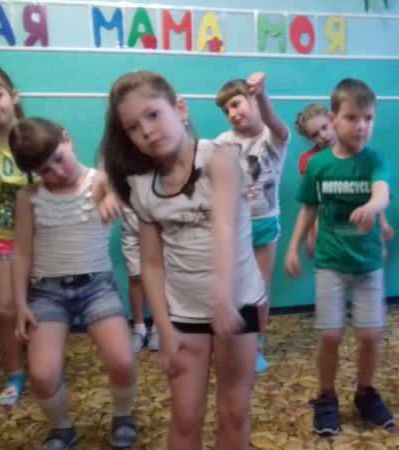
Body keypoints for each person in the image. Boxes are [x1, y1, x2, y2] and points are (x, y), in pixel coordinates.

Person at [101, 70, 265, 450]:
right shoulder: (143, 186)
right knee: (187, 414)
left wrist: (222, 297)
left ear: (180, 109)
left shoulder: (218, 158)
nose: (146, 130)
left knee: (233, 410)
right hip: (183, 311)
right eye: (133, 127)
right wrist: (164, 327)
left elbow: (224, 228)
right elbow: (151, 264)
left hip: (236, 301)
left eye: (153, 115)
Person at [9, 117, 137, 449]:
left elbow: (120, 187)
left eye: (58, 158)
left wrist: (113, 198)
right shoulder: (29, 196)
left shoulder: (100, 180)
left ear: (67, 139)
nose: (57, 172)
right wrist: (20, 304)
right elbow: (21, 252)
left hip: (96, 287)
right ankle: (62, 428)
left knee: (122, 360)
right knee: (42, 374)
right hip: (46, 292)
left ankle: (123, 415)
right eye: (44, 170)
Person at [284, 78, 394, 436]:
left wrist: (373, 207)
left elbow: (382, 192)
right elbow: (309, 208)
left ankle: (365, 392)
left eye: (368, 118)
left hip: (367, 265)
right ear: (333, 120)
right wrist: (293, 246)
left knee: (370, 335)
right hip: (330, 262)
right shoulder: (319, 165)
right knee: (330, 335)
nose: (361, 126)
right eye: (351, 118)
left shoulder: (375, 159)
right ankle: (327, 396)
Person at [215, 73, 290, 374]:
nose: (232, 114)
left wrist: (263, 94)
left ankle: (256, 343)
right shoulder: (224, 142)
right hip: (234, 225)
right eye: (226, 110)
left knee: (259, 286)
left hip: (265, 222)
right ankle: (235, 338)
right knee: (234, 283)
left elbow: (273, 122)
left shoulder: (273, 137)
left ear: (254, 101)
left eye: (236, 104)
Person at [294, 102, 395, 260]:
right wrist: (311, 234)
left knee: (370, 259)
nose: (323, 135)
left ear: (332, 120)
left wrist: (383, 221)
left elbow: (373, 193)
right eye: (315, 134)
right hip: (330, 226)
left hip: (361, 220)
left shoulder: (357, 151)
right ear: (309, 137)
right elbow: (311, 203)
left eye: (324, 127)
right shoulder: (310, 160)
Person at [0, 65, 28, 406]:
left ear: (13, 97)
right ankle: (14, 373)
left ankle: (45, 362)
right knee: (3, 308)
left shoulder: (35, 135)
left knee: (41, 307)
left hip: (38, 239)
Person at [121, 206, 158, 353]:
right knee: (135, 276)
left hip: (158, 227)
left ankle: (157, 327)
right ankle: (139, 328)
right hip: (130, 228)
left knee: (157, 277)